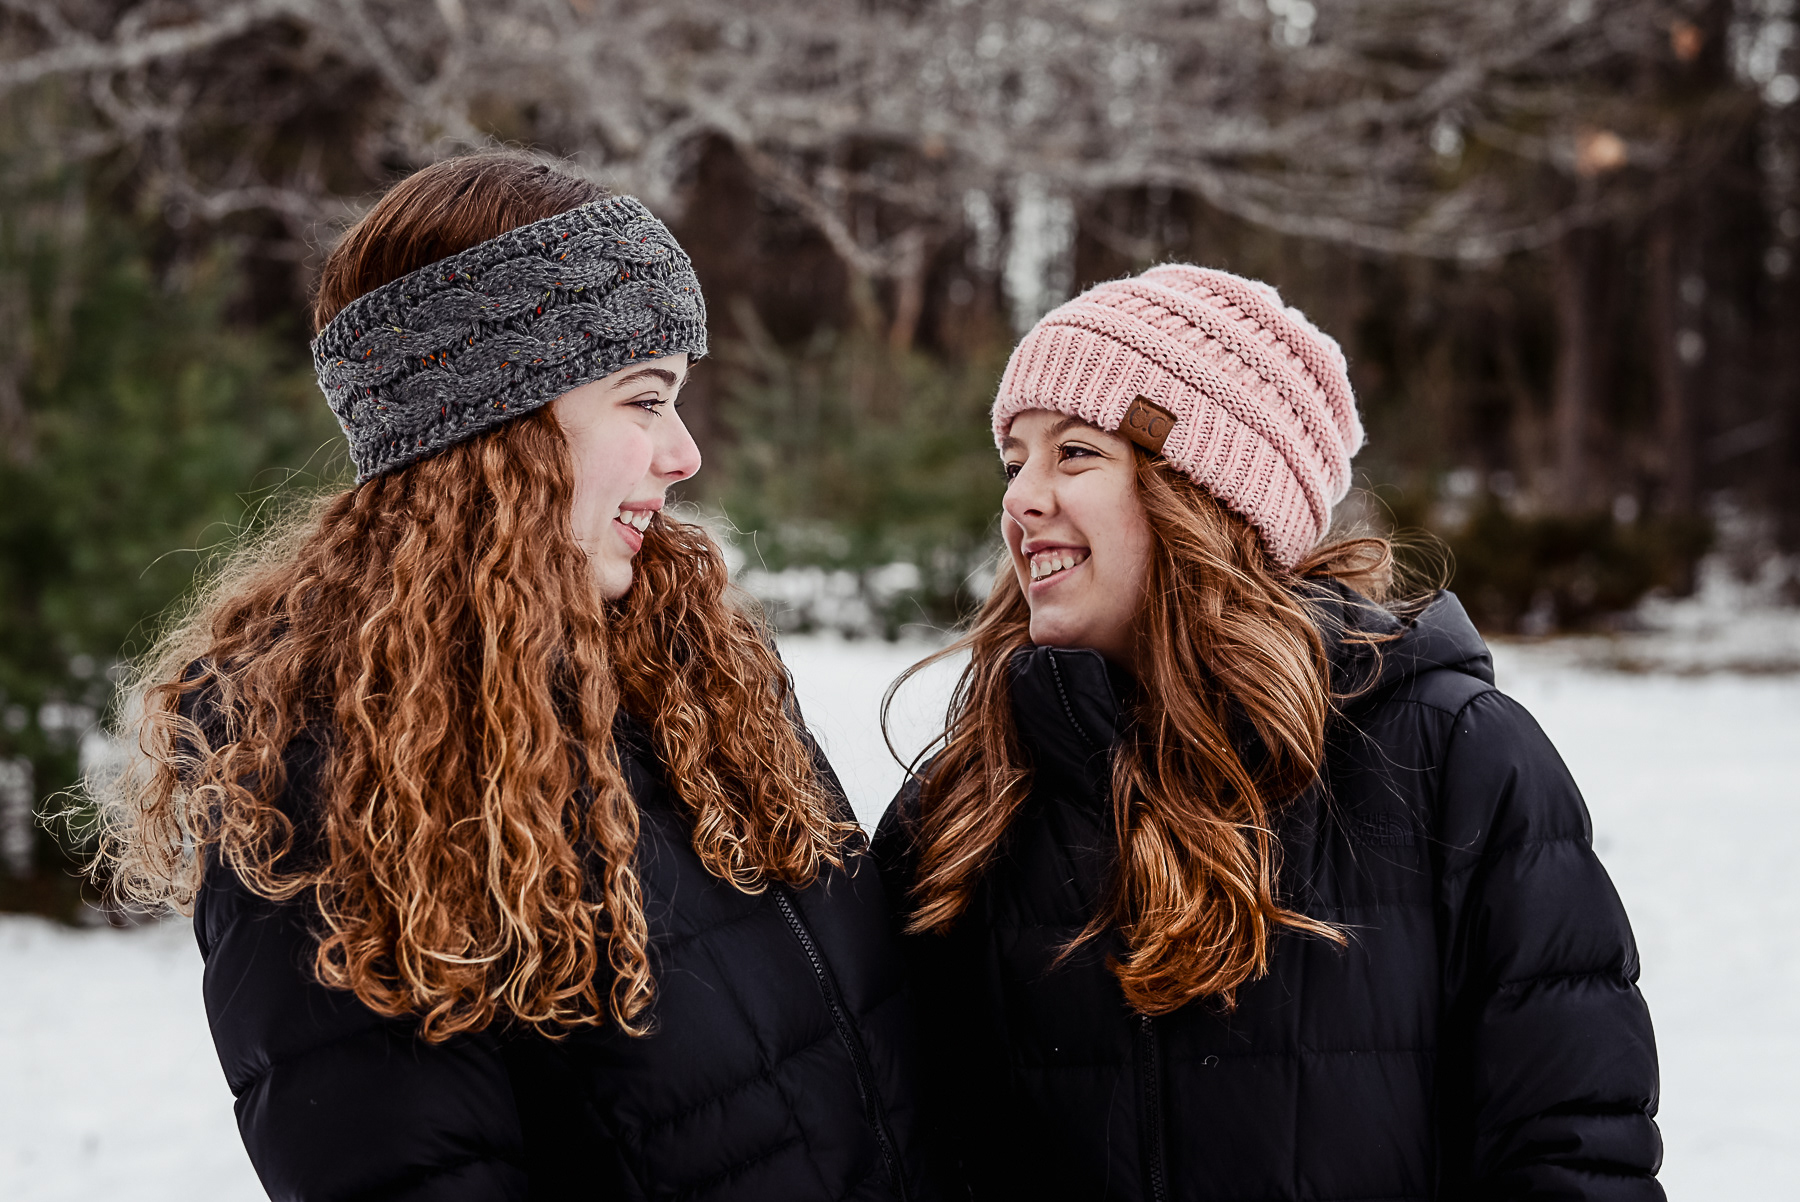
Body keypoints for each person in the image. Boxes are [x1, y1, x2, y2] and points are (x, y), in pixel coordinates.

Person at [95, 151, 932, 1202]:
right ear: (498, 429)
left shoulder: (702, 678)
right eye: (644, 398)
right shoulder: (333, 776)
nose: (683, 454)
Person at [874, 264, 1663, 1201]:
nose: (1021, 499)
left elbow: (1574, 1155)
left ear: (1204, 492)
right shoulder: (970, 798)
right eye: (1016, 461)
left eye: (1076, 453)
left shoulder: (1455, 761)